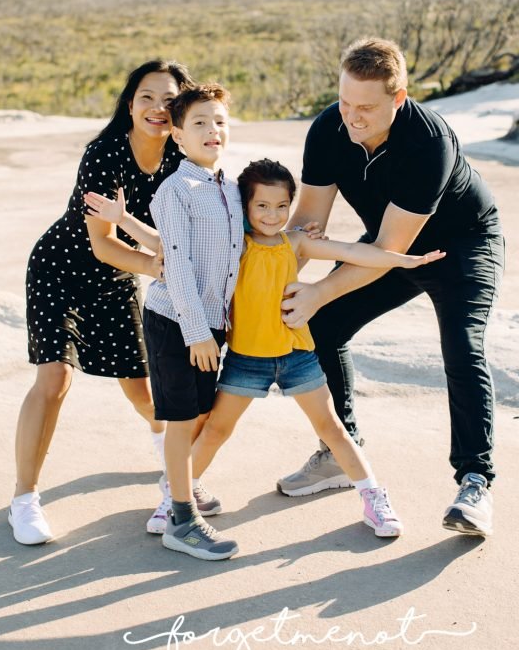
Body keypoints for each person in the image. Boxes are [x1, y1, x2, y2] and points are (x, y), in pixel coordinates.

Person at [278, 37, 504, 538]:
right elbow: (307, 225)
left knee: (462, 349)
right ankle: (340, 452)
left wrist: (319, 290)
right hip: (386, 244)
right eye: (344, 102)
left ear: (398, 98)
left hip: (461, 246)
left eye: (366, 107)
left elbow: (388, 251)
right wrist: (271, 282)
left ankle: (475, 484)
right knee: (321, 327)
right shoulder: (328, 129)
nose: (352, 117)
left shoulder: (429, 142)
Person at [188, 158, 445, 541]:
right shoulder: (234, 245)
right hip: (246, 359)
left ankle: (374, 499)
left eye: (280, 206)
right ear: (245, 207)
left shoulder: (297, 242)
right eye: (261, 205)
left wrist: (400, 259)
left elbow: (356, 253)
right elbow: (185, 240)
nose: (272, 215)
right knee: (216, 430)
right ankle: (176, 498)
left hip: (297, 356)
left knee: (332, 429)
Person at [9, 59, 193, 546]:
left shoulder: (181, 159)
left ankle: (169, 460)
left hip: (117, 282)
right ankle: (23, 500)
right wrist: (162, 267)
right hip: (61, 270)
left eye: (168, 100)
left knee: (141, 389)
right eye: (146, 97)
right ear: (130, 104)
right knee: (55, 379)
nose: (157, 108)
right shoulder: (105, 154)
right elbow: (104, 244)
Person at [140, 82, 243, 560]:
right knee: (182, 419)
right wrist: (197, 333)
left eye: (219, 121)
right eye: (199, 123)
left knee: (202, 412)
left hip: (213, 323)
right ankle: (180, 522)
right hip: (176, 322)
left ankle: (181, 485)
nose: (212, 130)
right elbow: (175, 265)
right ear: (177, 135)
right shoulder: (174, 190)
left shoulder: (233, 189)